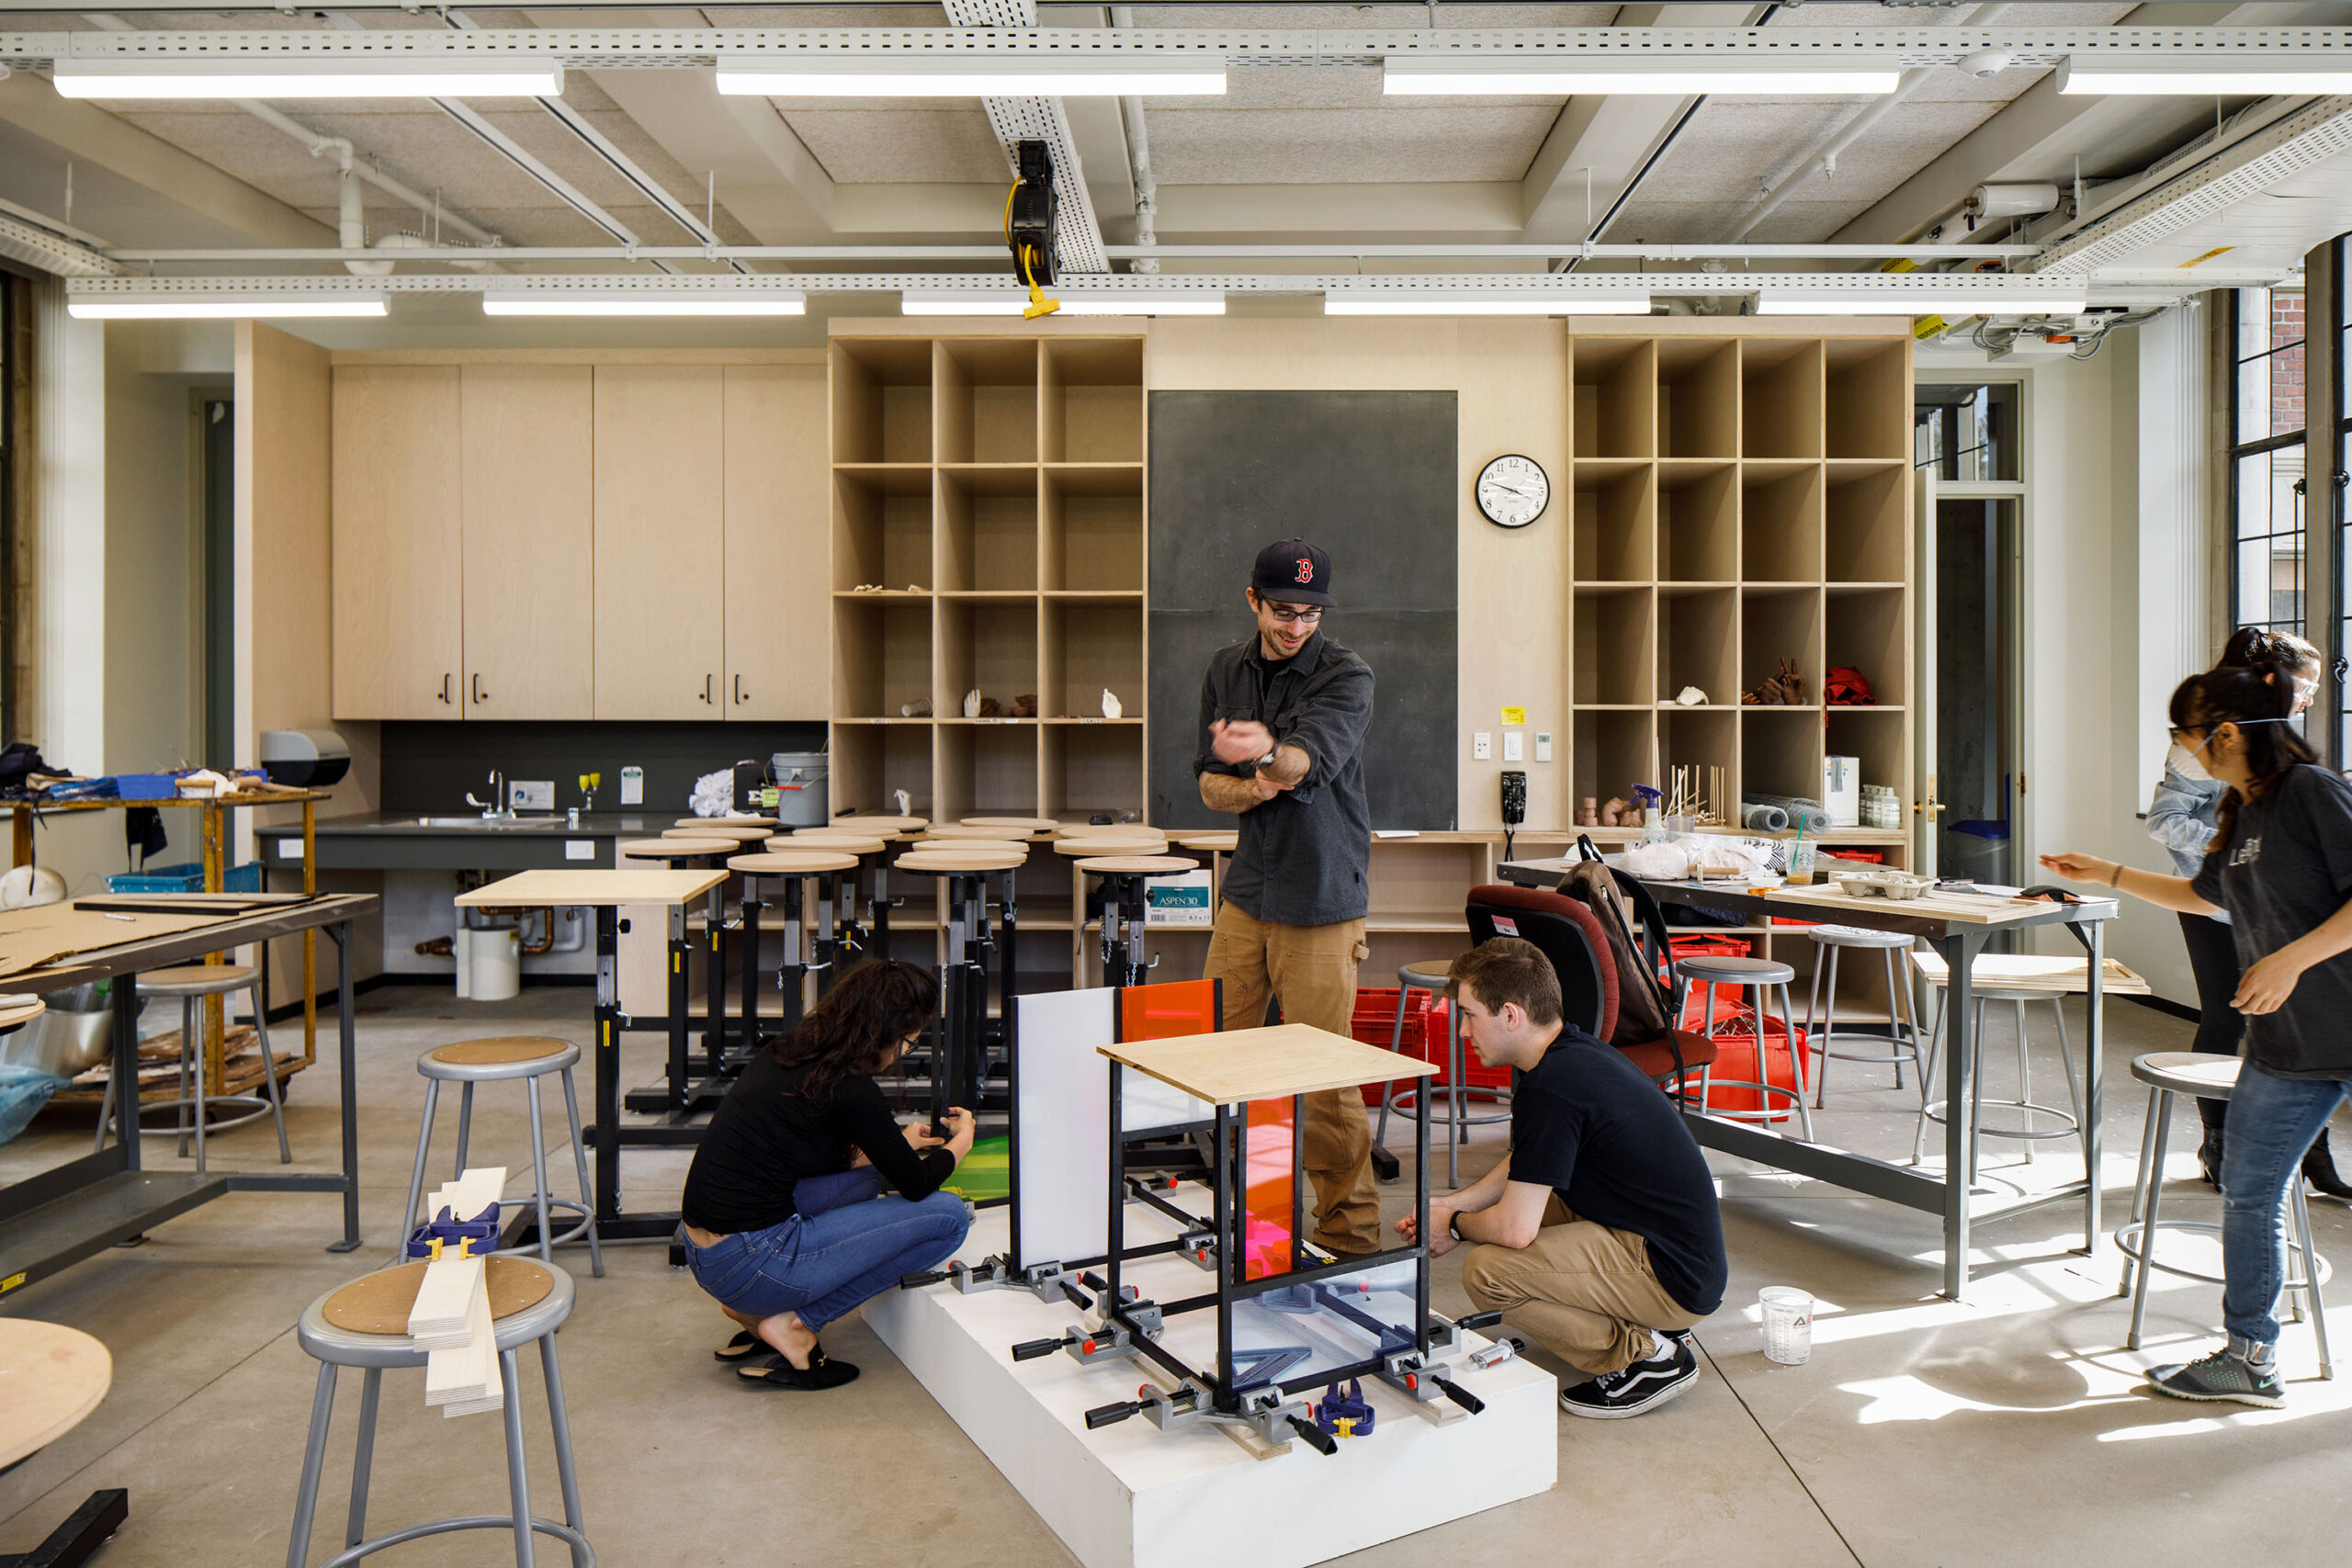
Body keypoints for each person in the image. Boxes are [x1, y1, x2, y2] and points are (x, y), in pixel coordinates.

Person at [2042, 661, 2352, 1407]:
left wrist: (2289, 957)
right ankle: (2251, 1356)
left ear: (2223, 732)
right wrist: (2105, 871)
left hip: (2332, 1019)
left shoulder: (2312, 793)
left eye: (2182, 732)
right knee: (2250, 1190)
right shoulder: (2242, 809)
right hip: (2291, 1041)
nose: (2181, 748)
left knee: (2251, 1190)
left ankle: (2250, 1357)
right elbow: (2201, 893)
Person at [1398, 938, 1725, 1419]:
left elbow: (1515, 1230)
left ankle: (1646, 1357)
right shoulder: (1568, 1052)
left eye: (1469, 1014)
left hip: (1672, 1276)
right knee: (1519, 1207)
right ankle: (1645, 1324)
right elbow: (1528, 1161)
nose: (1463, 1030)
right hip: (1659, 1239)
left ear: (1511, 1015)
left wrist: (1453, 1227)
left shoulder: (1552, 1087)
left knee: (1488, 1272)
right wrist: (1453, 1204)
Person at [1195, 536, 1380, 1258]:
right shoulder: (1223, 669)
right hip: (1247, 895)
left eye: (1309, 612)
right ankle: (1245, 1223)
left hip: (1323, 901)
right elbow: (1209, 783)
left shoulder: (1347, 674)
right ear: (1254, 601)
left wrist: (1266, 756)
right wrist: (1252, 783)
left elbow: (1307, 761)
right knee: (1221, 1058)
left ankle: (1352, 1240)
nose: (1296, 625)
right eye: (1282, 611)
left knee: (1324, 1080)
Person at [678, 958, 975, 1390]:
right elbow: (916, 1185)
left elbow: (805, 1155)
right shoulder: (852, 1089)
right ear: (887, 1034)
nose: (905, 1052)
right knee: (950, 1216)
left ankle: (754, 1312)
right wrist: (962, 1140)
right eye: (910, 1042)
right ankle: (795, 1325)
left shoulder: (792, 1050)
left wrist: (895, 1144)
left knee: (866, 1181)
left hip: (704, 1253)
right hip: (754, 1264)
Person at [2144, 626, 2351, 1197]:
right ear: (2271, 682)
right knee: (2226, 1019)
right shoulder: (2212, 743)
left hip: (2273, 908)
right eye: (2305, 685)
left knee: (2303, 1027)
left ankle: (2313, 1156)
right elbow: (2164, 821)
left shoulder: (2292, 759)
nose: (2310, 698)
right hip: (2217, 904)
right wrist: (2242, 843)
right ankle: (2218, 1144)